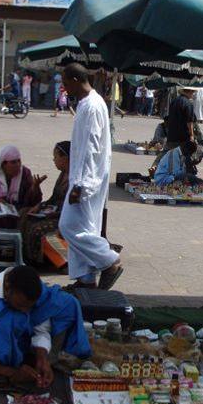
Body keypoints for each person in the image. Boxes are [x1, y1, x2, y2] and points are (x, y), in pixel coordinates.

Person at [0, 265, 91, 387]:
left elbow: (41, 326)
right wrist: (11, 372)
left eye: (30, 307)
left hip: (22, 343)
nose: (26, 312)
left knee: (66, 303)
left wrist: (42, 358)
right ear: (7, 288)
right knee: (7, 320)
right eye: (21, 305)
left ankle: (41, 363)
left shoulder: (33, 289)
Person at [58, 63, 123, 290]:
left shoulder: (92, 106)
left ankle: (109, 260)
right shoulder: (88, 104)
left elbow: (91, 148)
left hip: (88, 180)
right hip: (85, 177)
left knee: (68, 225)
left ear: (76, 80)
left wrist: (80, 184)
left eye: (66, 83)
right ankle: (85, 279)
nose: (65, 89)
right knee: (85, 227)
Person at [22, 141, 71, 264]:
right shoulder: (62, 175)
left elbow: (70, 207)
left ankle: (61, 261)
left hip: (66, 218)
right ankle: (25, 254)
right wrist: (39, 206)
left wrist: (50, 214)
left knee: (37, 229)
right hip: (55, 213)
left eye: (56, 157)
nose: (53, 160)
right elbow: (53, 199)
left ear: (65, 158)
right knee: (24, 214)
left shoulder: (74, 178)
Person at [150, 86, 196, 175]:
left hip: (172, 133)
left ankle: (154, 166)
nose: (193, 94)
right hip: (183, 136)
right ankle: (185, 174)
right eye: (193, 92)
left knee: (165, 153)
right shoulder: (188, 103)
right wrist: (191, 135)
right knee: (184, 156)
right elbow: (189, 121)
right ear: (190, 92)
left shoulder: (175, 101)